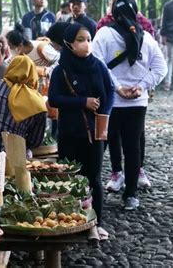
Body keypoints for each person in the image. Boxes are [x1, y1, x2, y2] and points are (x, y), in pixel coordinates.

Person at [92, 0, 167, 210]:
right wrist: (141, 86)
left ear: (113, 12)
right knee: (132, 148)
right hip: (137, 102)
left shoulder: (104, 34)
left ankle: (90, 190)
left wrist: (117, 87)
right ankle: (130, 195)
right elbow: (161, 69)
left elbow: (97, 65)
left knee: (100, 146)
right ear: (135, 12)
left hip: (110, 103)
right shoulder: (147, 37)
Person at [48, 23, 114, 238]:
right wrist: (82, 102)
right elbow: (54, 99)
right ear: (69, 43)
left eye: (88, 39)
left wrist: (104, 111)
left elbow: (110, 90)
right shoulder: (61, 70)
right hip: (69, 132)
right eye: (80, 40)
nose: (86, 44)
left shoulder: (98, 66)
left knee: (93, 177)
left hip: (95, 133)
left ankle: (97, 222)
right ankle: (70, 220)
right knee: (69, 178)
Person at [96, 0, 154, 190]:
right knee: (118, 137)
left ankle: (135, 172)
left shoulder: (144, 26)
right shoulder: (104, 28)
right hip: (128, 94)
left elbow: (150, 58)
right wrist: (143, 85)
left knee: (135, 138)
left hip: (125, 94)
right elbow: (98, 58)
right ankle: (119, 175)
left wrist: (142, 83)